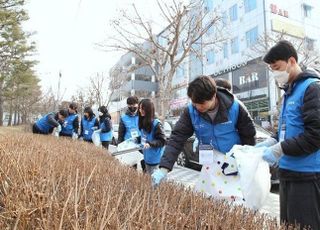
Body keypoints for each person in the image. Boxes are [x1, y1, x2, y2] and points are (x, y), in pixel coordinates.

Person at [257, 40, 320, 229]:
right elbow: (284, 131)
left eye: (277, 67)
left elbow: (315, 135)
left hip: (307, 176)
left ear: (292, 61)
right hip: (287, 173)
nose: (275, 73)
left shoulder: (312, 88)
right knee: (288, 225)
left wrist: (279, 149)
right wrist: (270, 142)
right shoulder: (288, 93)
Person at [151, 75, 256, 184]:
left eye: (201, 103)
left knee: (234, 196)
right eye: (194, 103)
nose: (197, 107)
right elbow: (177, 138)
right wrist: (164, 168)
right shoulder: (190, 111)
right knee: (211, 194)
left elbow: (249, 136)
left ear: (213, 96)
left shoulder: (235, 108)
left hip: (233, 161)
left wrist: (246, 162)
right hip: (209, 160)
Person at [138, 99, 166, 174]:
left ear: (148, 109)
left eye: (142, 108)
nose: (140, 110)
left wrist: (150, 144)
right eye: (140, 108)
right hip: (147, 159)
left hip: (156, 160)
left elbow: (162, 141)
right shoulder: (143, 122)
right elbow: (145, 137)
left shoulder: (157, 124)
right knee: (149, 182)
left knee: (156, 183)